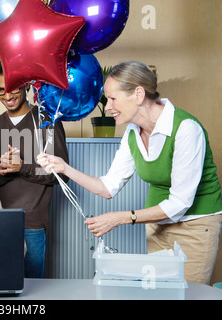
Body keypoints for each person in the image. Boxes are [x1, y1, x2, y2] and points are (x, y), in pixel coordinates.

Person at [37, 61, 222, 285]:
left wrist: (122, 218)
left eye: (113, 99)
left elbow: (180, 203)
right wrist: (64, 167)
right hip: (157, 227)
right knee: (159, 294)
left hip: (195, 225)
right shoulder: (133, 133)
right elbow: (107, 187)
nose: (108, 107)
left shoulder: (185, 129)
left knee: (190, 294)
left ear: (138, 94)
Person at [0, 60, 69, 278]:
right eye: (0, 90)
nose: (7, 96)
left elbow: (62, 176)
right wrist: (0, 171)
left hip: (32, 225)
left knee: (33, 289)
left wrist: (21, 167)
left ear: (27, 84)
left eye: (13, 88)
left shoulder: (47, 122)